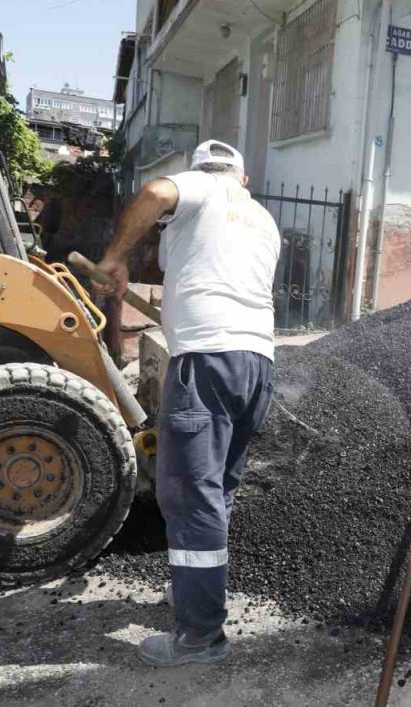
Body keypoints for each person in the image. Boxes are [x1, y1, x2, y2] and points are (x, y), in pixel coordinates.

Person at [93, 140, 280, 666]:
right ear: (244, 177)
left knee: (189, 493)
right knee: (218, 487)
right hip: (256, 363)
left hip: (206, 362)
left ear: (204, 173)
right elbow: (207, 267)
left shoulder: (202, 187)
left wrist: (114, 258)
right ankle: (197, 590)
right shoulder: (261, 218)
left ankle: (200, 635)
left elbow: (154, 191)